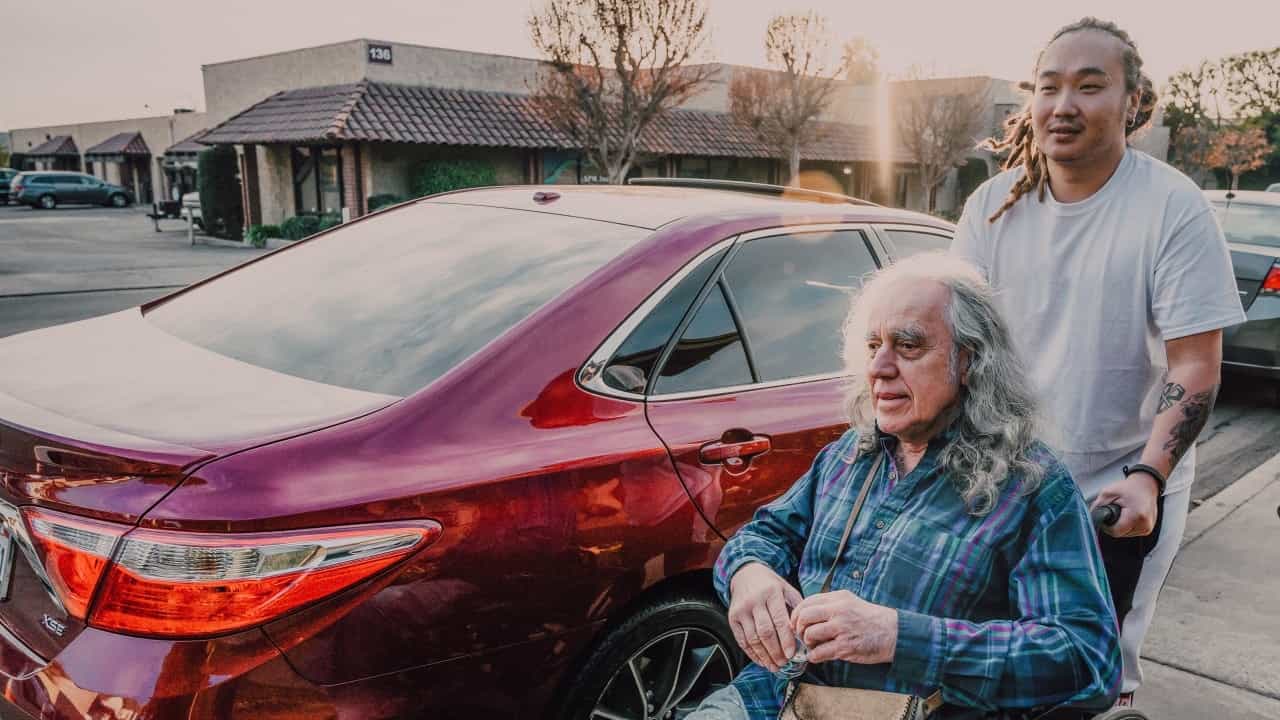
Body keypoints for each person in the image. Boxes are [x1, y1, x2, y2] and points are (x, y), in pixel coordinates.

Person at [949, 17, 1246, 707]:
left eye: (1089, 86)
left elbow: (1196, 366)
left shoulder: (1172, 208)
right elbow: (957, 342)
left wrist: (1149, 477)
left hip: (1117, 493)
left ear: (1133, 102)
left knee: (1091, 680)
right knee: (984, 670)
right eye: (1049, 86)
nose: (1063, 105)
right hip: (1003, 482)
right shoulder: (992, 205)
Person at [688, 254, 1120, 720]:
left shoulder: (1032, 486)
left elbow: (1086, 655)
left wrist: (898, 636)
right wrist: (748, 573)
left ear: (970, 361)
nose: (879, 367)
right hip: (778, 698)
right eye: (873, 345)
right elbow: (765, 534)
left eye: (908, 346)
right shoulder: (851, 453)